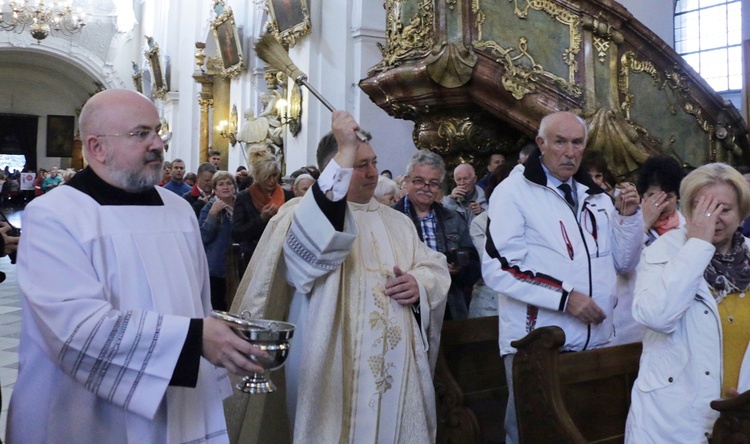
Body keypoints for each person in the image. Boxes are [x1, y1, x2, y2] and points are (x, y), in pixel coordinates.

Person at [7, 89, 267, 443]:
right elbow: (74, 328)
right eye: (141, 133)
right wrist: (194, 341)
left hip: (181, 400)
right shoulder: (54, 215)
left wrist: (221, 334)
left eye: (158, 131)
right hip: (83, 414)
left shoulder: (178, 211)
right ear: (97, 147)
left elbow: (198, 306)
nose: (158, 144)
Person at [225, 111, 450, 443]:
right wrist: (345, 146)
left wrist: (420, 282)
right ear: (335, 168)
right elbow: (312, 250)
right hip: (331, 359)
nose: (373, 172)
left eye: (373, 163)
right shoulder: (299, 213)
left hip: (396, 364)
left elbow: (434, 266)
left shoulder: (398, 222)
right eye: (360, 166)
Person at [483, 111, 644, 444]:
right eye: (560, 142)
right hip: (537, 344)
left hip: (596, 342)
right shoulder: (514, 192)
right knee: (533, 434)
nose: (570, 152)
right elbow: (500, 267)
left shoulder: (595, 196)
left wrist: (629, 219)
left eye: (577, 142)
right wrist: (565, 297)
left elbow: (623, 264)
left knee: (589, 431)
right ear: (541, 143)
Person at [625, 163, 750, 442]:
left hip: (739, 421)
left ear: (742, 214)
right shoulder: (663, 251)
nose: (711, 218)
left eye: (724, 209)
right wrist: (697, 246)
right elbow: (657, 315)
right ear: (686, 210)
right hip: (675, 420)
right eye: (701, 207)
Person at [393, 151, 480, 320]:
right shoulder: (390, 218)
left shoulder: (454, 219)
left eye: (433, 183)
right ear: (406, 181)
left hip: (449, 307)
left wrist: (459, 268)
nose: (426, 188)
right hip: (404, 309)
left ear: (440, 188)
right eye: (419, 181)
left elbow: (475, 266)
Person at [232, 145, 294, 271]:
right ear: (258, 176)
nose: (272, 180)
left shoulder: (287, 195)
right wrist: (261, 219)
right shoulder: (245, 197)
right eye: (267, 176)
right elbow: (237, 233)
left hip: (283, 256)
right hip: (255, 258)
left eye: (275, 175)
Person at [199, 171, 237, 311]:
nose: (225, 187)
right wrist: (213, 215)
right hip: (216, 267)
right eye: (221, 184)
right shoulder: (208, 208)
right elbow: (203, 237)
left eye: (229, 183)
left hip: (238, 263)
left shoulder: (241, 204)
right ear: (215, 190)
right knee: (218, 307)